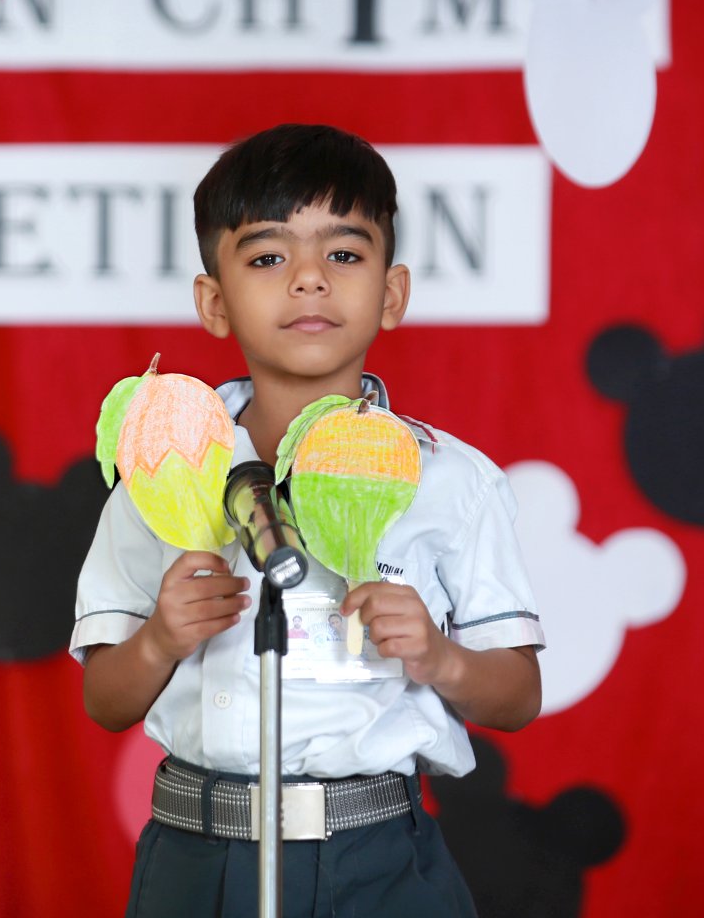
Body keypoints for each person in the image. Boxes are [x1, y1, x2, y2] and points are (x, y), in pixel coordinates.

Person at [69, 123, 544, 917]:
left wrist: (437, 654)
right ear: (213, 303)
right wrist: (158, 639)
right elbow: (104, 700)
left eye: (344, 254)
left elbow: (519, 693)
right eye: (267, 257)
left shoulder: (451, 481)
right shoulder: (160, 469)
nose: (310, 281)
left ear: (391, 294)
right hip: (196, 858)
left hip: (377, 861)